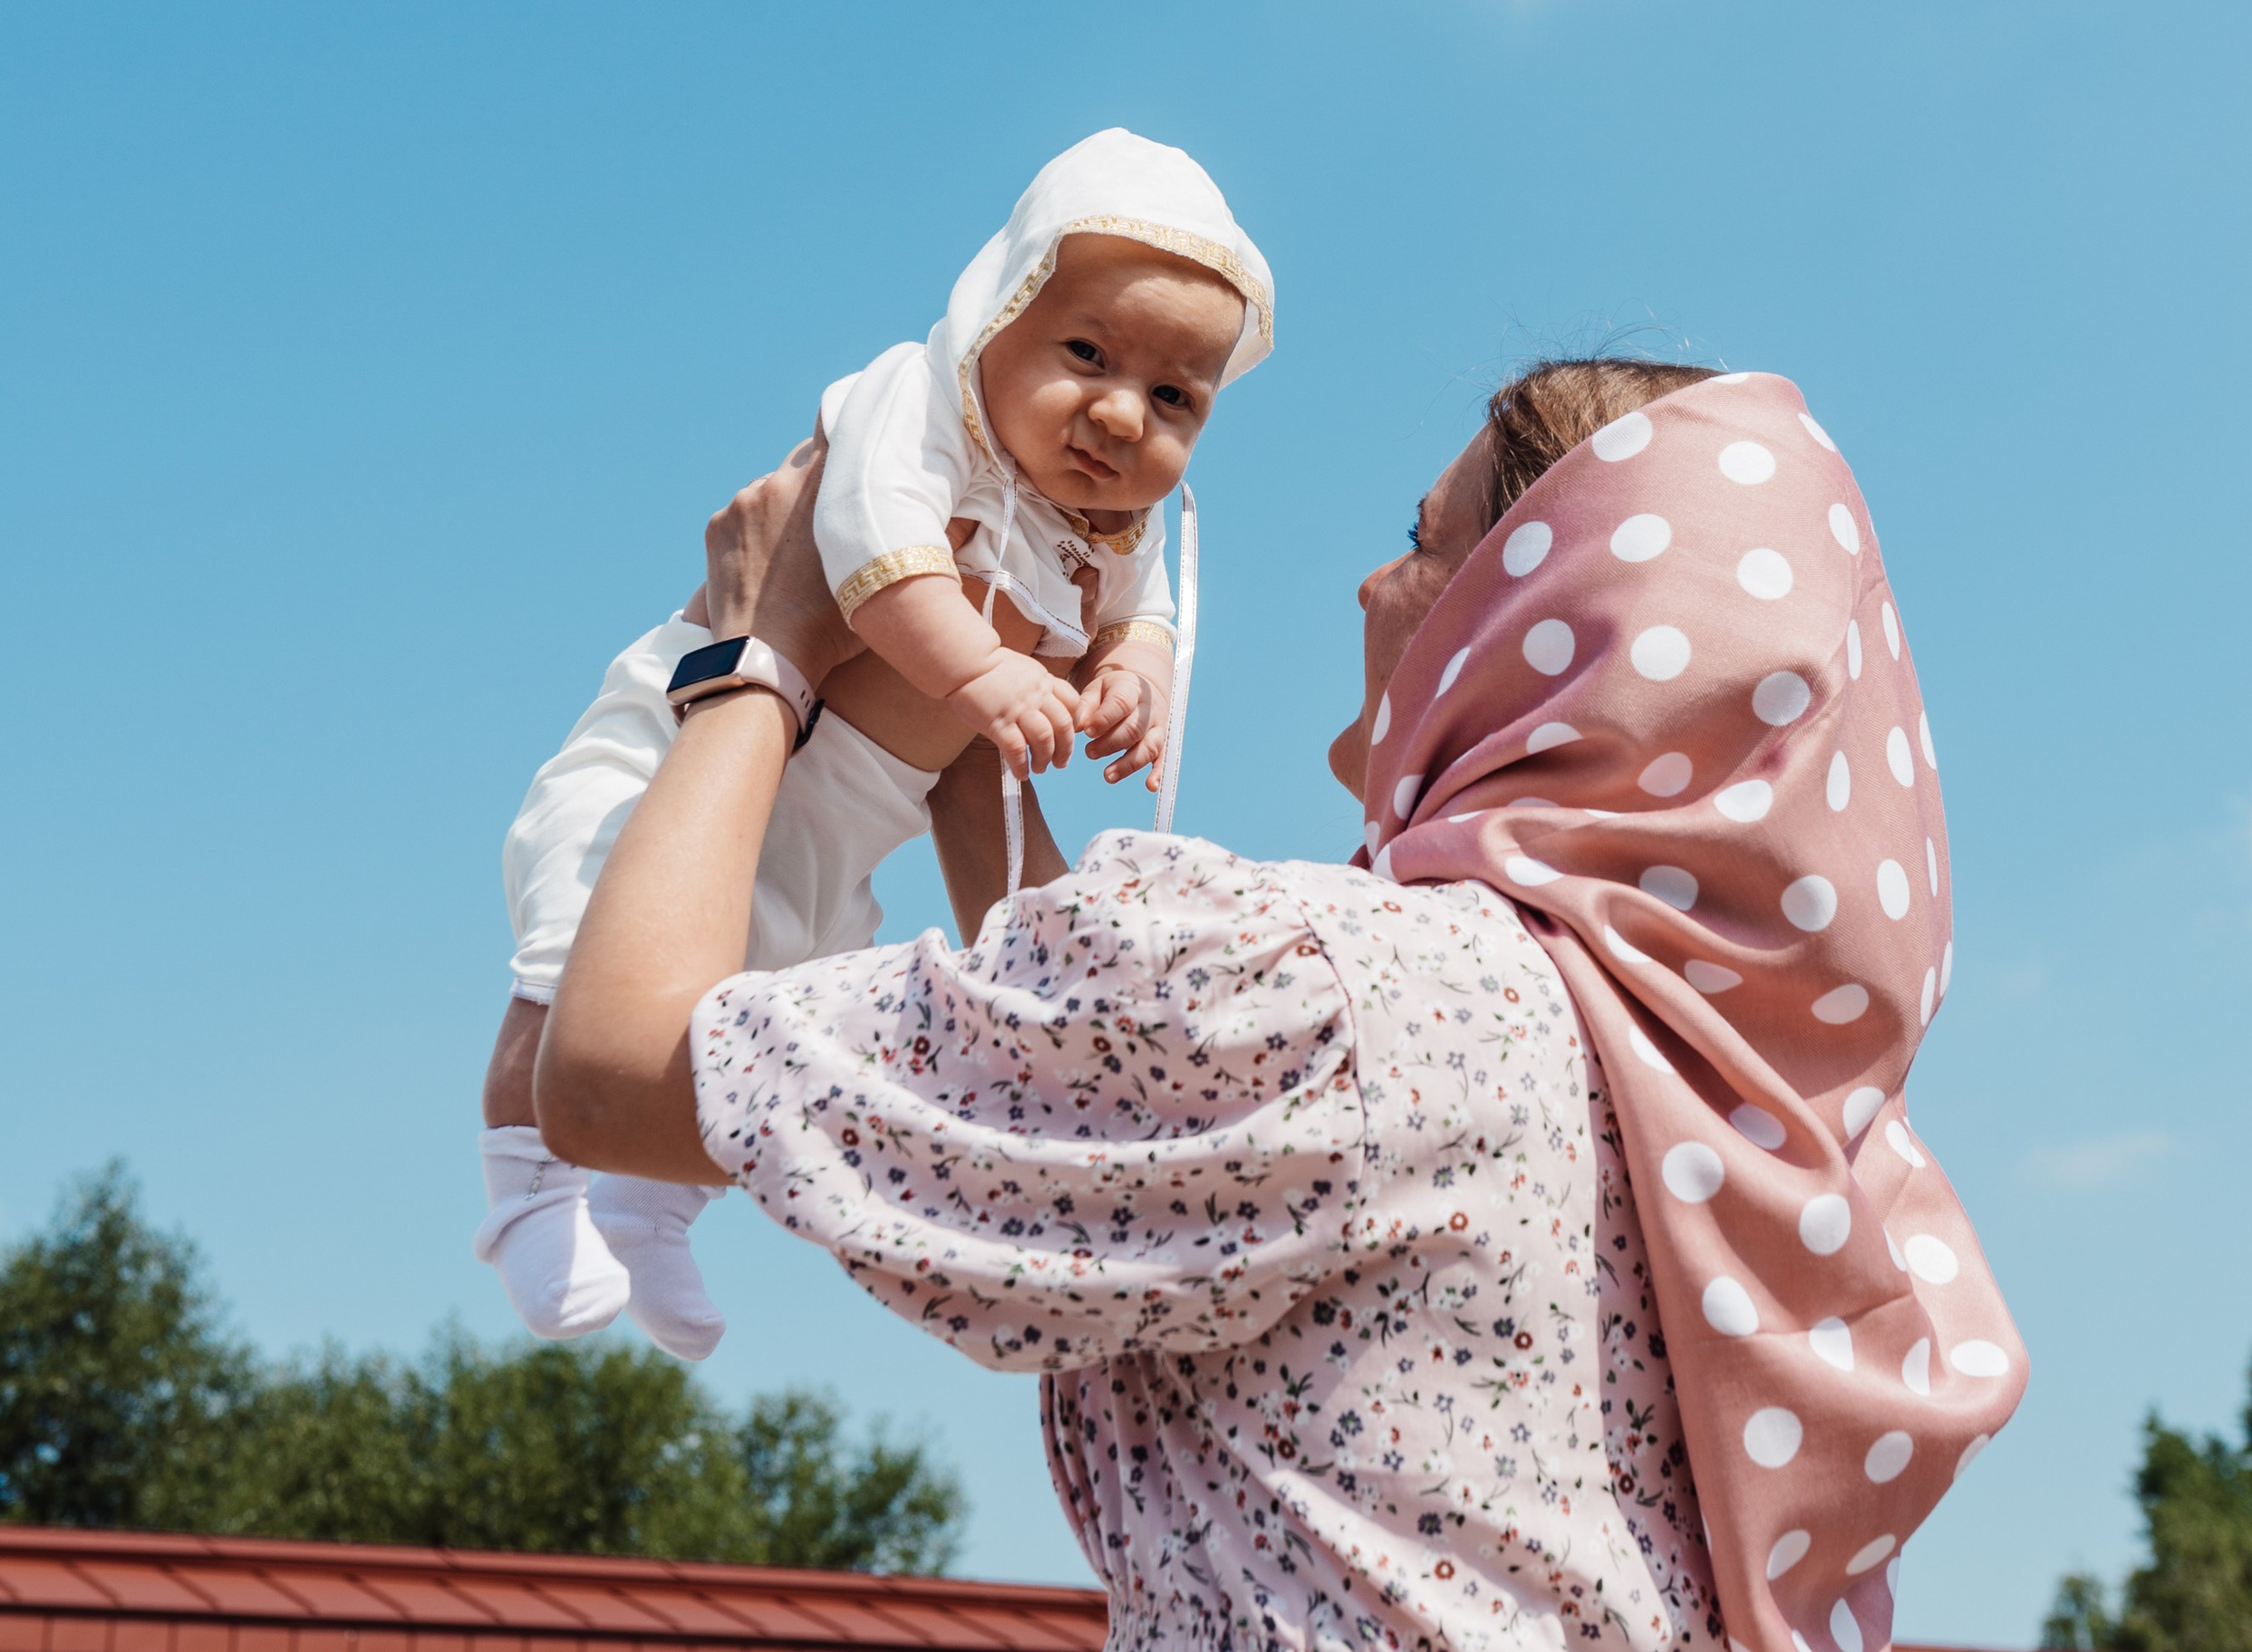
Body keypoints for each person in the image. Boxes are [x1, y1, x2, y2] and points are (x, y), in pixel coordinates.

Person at [535, 358, 2023, 1652]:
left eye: (1422, 543)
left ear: (1530, 619)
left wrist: (759, 649)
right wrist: (966, 732)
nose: (1373, 588)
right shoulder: (1738, 1121)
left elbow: (609, 1072)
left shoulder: (1326, 995)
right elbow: (1112, 1096)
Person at [474, 128, 1274, 1360]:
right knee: (582, 944)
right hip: (688, 751)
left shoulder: (1115, 522)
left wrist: (1135, 673)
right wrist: (988, 668)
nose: (1123, 414)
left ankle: (655, 1208)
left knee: (746, 1005)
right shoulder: (923, 406)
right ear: (994, 317)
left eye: (1175, 397)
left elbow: (1145, 611)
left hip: (848, 823)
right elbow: (859, 550)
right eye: (1087, 354)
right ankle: (527, 1189)